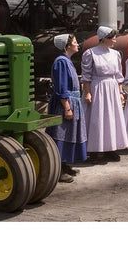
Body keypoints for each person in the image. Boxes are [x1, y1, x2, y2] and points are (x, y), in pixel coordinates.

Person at [81, 26, 128, 161]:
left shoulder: (116, 54)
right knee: (97, 119)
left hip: (112, 89)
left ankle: (110, 149)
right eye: (113, 37)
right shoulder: (91, 53)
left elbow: (119, 76)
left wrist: (120, 93)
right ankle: (94, 151)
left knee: (112, 119)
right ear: (105, 38)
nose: (115, 40)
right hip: (98, 88)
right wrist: (87, 92)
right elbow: (86, 76)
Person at [45, 33, 87, 183]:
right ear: (67, 46)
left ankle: (65, 164)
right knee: (60, 134)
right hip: (65, 103)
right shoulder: (61, 62)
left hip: (73, 101)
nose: (77, 44)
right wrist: (67, 108)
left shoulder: (67, 61)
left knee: (70, 134)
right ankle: (59, 170)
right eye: (75, 42)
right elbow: (61, 86)